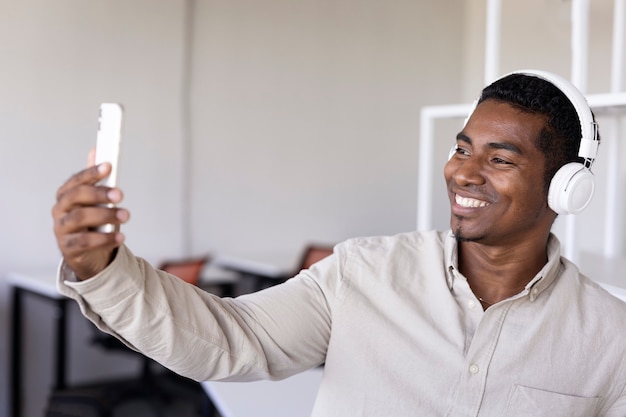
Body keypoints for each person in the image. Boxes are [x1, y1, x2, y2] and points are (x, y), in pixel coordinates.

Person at [52, 70, 626, 416]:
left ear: (564, 187)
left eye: (499, 159)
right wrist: (102, 266)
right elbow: (229, 339)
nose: (464, 173)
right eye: (461, 148)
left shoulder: (610, 338)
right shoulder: (363, 273)